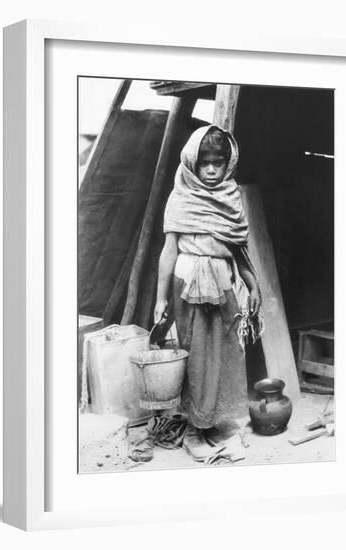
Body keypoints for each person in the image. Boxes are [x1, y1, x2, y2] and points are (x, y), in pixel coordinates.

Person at [153, 124, 264, 461]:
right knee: (198, 355)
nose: (212, 169)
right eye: (205, 163)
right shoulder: (182, 196)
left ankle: (212, 420)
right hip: (191, 284)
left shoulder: (230, 197)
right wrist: (160, 298)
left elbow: (236, 250)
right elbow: (168, 252)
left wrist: (253, 283)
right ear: (192, 163)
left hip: (223, 282)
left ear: (228, 163)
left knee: (228, 352)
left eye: (218, 162)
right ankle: (193, 428)